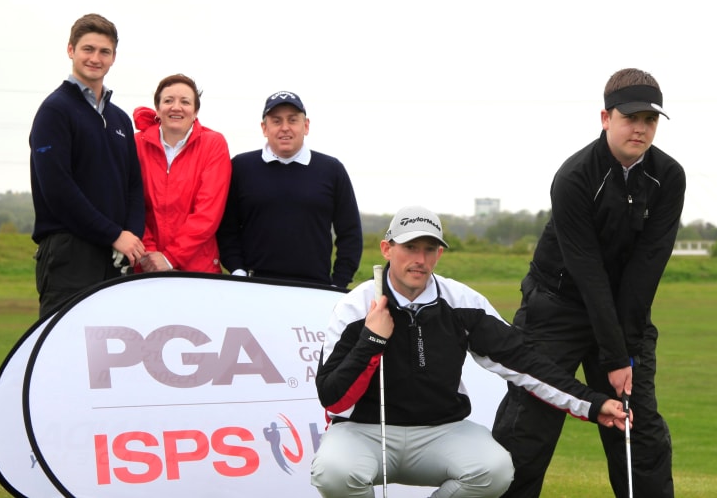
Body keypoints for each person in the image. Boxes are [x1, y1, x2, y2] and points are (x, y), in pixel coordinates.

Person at [311, 205, 631, 498]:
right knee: (332, 473)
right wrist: (372, 339)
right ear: (387, 249)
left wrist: (593, 404)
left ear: (439, 254)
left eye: (429, 249)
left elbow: (526, 363)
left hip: (441, 432)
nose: (419, 260)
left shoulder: (462, 302)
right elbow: (334, 397)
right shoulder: (355, 306)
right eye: (410, 248)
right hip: (366, 432)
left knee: (495, 469)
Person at [492, 68, 685, 498]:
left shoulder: (668, 177)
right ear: (605, 118)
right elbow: (587, 269)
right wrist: (614, 358)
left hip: (624, 313)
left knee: (637, 428)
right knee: (528, 429)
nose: (640, 128)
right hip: (556, 309)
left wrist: (625, 351)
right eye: (630, 117)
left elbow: (647, 267)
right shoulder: (576, 176)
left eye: (650, 120)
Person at [29, 13, 145, 318]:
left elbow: (133, 184)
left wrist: (130, 236)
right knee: (65, 355)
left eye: (104, 51)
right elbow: (58, 189)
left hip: (116, 255)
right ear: (71, 50)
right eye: (87, 49)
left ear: (113, 58)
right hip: (70, 255)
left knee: (111, 358)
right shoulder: (55, 111)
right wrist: (113, 233)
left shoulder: (120, 119)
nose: (95, 58)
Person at [216, 91, 362, 287]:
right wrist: (238, 270)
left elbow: (350, 233)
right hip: (253, 285)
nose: (285, 128)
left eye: (292, 120)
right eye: (276, 121)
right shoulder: (241, 168)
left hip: (315, 288)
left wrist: (338, 283)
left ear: (306, 126)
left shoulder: (331, 170)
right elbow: (226, 229)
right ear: (264, 128)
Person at [132, 74, 231, 273]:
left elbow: (208, 213)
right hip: (146, 268)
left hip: (198, 269)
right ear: (158, 109)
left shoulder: (214, 144)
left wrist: (169, 258)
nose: (176, 107)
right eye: (168, 101)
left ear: (195, 111)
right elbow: (131, 205)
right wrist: (149, 255)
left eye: (185, 102)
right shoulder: (136, 145)